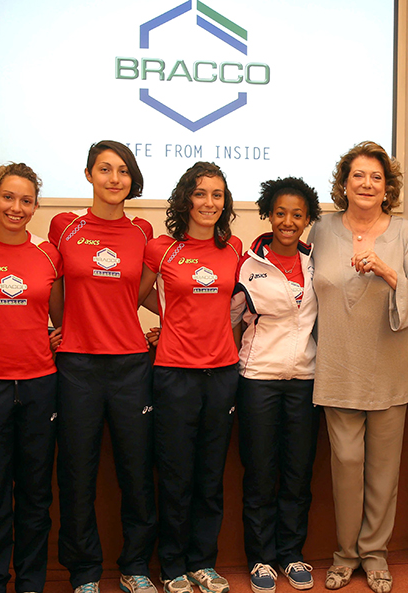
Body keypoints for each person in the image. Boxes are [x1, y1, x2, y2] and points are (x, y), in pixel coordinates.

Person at [307, 141, 408, 593]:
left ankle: (375, 555)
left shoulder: (407, 233)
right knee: (346, 464)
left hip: (389, 368)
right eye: (358, 175)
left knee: (383, 471)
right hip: (337, 367)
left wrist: (388, 272)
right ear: (344, 184)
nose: (367, 183)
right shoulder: (318, 229)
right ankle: (344, 554)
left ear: (387, 187)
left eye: (376, 177)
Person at [49, 141, 157, 593]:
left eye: (124, 171)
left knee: (137, 471)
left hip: (131, 365)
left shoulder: (142, 231)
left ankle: (134, 567)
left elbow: (144, 293)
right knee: (77, 473)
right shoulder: (63, 226)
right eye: (106, 169)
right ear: (89, 174)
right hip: (77, 366)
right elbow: (52, 286)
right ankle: (85, 573)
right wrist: (58, 327)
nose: (115, 178)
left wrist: (173, 327)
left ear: (132, 180)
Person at [0, 162, 63, 592]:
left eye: (26, 200)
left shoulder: (48, 253)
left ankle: (32, 583)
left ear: (35, 205)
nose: (16, 208)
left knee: (36, 495)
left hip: (40, 385)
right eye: (8, 197)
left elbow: (60, 316)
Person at [139, 162, 242, 593]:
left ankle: (203, 561)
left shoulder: (233, 246)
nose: (209, 203)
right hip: (174, 374)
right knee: (177, 475)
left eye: (217, 195)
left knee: (209, 475)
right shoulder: (160, 248)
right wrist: (170, 320)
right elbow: (137, 294)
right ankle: (174, 566)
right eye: (201, 194)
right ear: (185, 199)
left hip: (221, 373)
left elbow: (235, 304)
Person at [230, 177, 322, 593]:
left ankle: (291, 554)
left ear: (308, 219)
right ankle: (262, 558)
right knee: (261, 473)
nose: (288, 221)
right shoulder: (247, 264)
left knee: (298, 473)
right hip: (258, 382)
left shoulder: (317, 261)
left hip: (306, 381)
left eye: (297, 214)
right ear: (269, 213)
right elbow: (229, 322)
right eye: (281, 213)